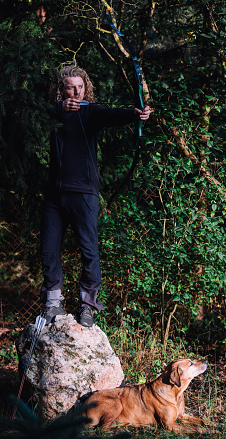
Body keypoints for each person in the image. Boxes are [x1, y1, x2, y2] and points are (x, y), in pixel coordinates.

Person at [40, 65, 150, 327]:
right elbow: (30, 113)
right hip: (55, 196)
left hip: (84, 194)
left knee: (89, 251)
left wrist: (136, 114)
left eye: (80, 87)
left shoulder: (90, 112)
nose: (76, 92)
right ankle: (52, 303)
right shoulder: (51, 114)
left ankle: (88, 306)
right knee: (48, 250)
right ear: (60, 89)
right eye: (70, 87)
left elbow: (111, 115)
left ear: (85, 87)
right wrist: (59, 110)